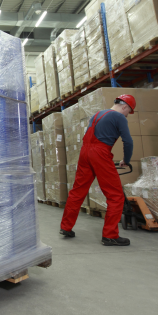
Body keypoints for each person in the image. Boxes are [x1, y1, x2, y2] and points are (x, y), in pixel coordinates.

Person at [59, 94, 136, 246]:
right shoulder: (119, 117)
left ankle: (66, 227)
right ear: (125, 106)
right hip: (100, 153)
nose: (127, 115)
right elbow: (128, 142)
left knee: (77, 191)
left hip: (85, 153)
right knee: (115, 195)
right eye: (129, 111)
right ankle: (110, 235)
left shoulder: (97, 115)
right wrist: (126, 160)